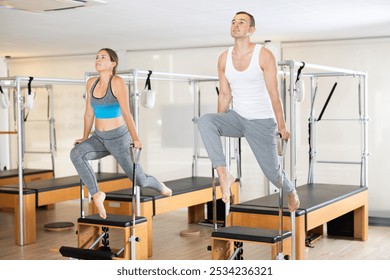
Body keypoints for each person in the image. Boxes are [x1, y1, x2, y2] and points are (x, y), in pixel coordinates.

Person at [197, 11, 300, 212]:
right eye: (233, 22)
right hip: (237, 117)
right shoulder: (223, 58)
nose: (235, 25)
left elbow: (274, 94)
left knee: (273, 174)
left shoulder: (264, 55)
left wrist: (282, 126)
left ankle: (290, 190)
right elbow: (225, 94)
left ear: (251, 30)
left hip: (262, 121)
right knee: (205, 121)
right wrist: (220, 121)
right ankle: (224, 174)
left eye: (241, 22)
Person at [70, 48, 172, 219]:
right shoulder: (91, 83)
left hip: (119, 139)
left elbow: (126, 112)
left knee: (140, 181)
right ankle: (96, 194)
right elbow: (88, 113)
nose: (98, 59)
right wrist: (85, 137)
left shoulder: (117, 82)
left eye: (103, 57)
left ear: (113, 63)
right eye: (97, 57)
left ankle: (159, 185)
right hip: (99, 138)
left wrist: (136, 138)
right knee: (76, 154)